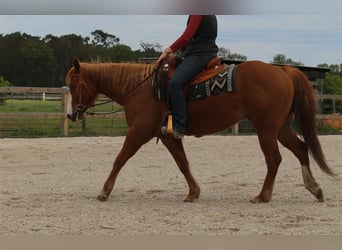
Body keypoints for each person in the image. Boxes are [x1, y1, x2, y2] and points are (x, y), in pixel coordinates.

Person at [158, 15, 219, 139]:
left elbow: (186, 37)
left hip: (199, 55)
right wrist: (181, 51)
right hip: (206, 52)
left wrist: (168, 50)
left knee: (175, 83)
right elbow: (196, 38)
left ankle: (179, 126)